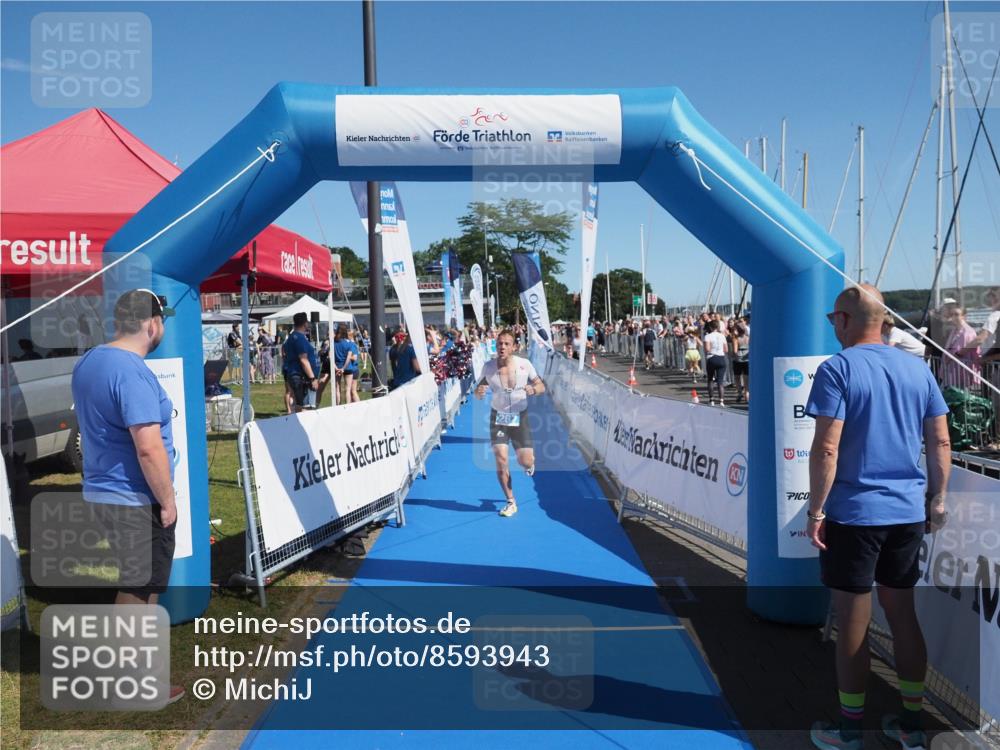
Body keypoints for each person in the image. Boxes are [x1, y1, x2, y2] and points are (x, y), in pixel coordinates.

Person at [805, 284, 951, 750]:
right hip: (908, 512)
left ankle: (850, 729)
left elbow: (827, 448)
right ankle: (912, 724)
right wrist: (939, 498)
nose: (832, 328)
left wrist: (815, 510)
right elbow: (941, 443)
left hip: (855, 514)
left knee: (852, 619)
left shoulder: (837, 369)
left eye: (833, 320)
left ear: (846, 321)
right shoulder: (917, 369)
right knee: (902, 615)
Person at [70, 289, 184, 704]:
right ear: (152, 324)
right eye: (162, 321)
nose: (163, 329)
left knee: (140, 584)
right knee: (138, 590)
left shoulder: (90, 362)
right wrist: (167, 501)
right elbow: (148, 447)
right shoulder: (131, 371)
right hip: (134, 496)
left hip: (103, 490)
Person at [473, 329, 545, 518]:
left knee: (524, 461)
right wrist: (479, 392)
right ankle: (511, 501)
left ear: (514, 347)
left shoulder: (525, 364)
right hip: (499, 418)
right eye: (500, 343)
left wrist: (533, 389)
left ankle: (529, 464)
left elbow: (541, 386)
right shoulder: (488, 367)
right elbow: (478, 388)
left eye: (506, 344)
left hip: (520, 418)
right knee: (501, 459)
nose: (502, 347)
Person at [281, 312, 320, 413]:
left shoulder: (292, 337)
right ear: (305, 323)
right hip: (301, 376)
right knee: (305, 407)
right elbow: (303, 360)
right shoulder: (299, 338)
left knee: (300, 404)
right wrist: (312, 378)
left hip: (295, 374)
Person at [703, 320, 729, 406]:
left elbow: (707, 349)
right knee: (720, 381)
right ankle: (721, 401)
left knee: (710, 380)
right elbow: (726, 350)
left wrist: (712, 350)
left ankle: (711, 400)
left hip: (712, 358)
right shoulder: (722, 336)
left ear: (710, 327)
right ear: (718, 327)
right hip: (721, 358)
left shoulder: (707, 336)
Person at [333, 325, 358, 404]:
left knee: (337, 388)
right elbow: (348, 357)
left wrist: (336, 368)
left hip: (337, 367)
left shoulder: (333, 343)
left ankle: (337, 406)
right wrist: (343, 368)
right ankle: (348, 407)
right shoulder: (349, 343)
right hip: (348, 367)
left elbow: (330, 357)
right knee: (348, 389)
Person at [730, 322, 750, 402]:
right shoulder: (748, 338)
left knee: (737, 377)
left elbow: (735, 350)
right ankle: (747, 394)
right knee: (746, 378)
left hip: (738, 360)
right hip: (747, 359)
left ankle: (739, 393)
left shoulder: (736, 339)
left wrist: (733, 355)